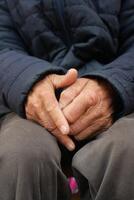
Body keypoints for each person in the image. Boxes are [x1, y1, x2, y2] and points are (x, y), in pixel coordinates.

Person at [0, 0, 134, 199]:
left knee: (128, 148)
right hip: (22, 102)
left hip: (119, 97)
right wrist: (29, 82)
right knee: (20, 154)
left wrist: (113, 88)